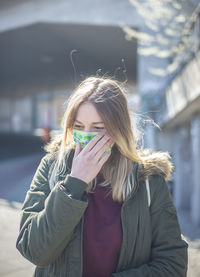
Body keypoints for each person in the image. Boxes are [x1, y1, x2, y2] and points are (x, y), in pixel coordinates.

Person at [16, 76, 188, 277]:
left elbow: (173, 264)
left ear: (118, 129)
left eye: (98, 128)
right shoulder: (53, 167)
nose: (87, 136)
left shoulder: (148, 180)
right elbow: (34, 251)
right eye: (79, 126)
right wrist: (74, 183)